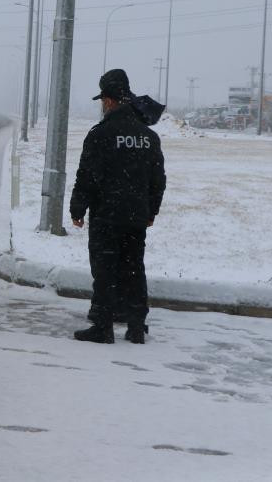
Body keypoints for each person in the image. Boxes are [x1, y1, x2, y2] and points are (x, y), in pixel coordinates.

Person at [70, 69, 166, 344]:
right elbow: (157, 179)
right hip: (136, 215)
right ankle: (136, 326)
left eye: (103, 100)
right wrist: (151, 211)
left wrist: (78, 209)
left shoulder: (101, 134)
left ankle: (103, 325)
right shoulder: (148, 136)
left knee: (105, 268)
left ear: (109, 101)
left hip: (107, 215)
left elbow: (87, 176)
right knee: (134, 267)